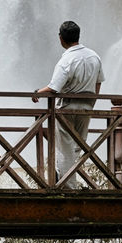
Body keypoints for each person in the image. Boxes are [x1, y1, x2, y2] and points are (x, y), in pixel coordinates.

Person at [32, 21, 104, 189]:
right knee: (78, 145)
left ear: (61, 38)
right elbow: (98, 83)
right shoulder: (94, 56)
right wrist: (93, 100)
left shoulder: (67, 60)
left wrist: (37, 93)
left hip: (67, 107)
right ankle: (63, 177)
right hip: (86, 107)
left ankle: (68, 187)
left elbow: (53, 87)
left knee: (65, 147)